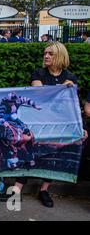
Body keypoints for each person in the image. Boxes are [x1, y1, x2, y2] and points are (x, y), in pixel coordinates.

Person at [12, 42, 79, 207]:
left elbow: (72, 105)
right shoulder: (39, 73)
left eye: (50, 53)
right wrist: (62, 88)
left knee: (54, 154)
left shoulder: (71, 77)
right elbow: (40, 96)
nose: (46, 56)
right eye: (45, 53)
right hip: (38, 121)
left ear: (60, 56)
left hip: (59, 122)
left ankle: (44, 190)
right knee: (29, 151)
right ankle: (17, 188)